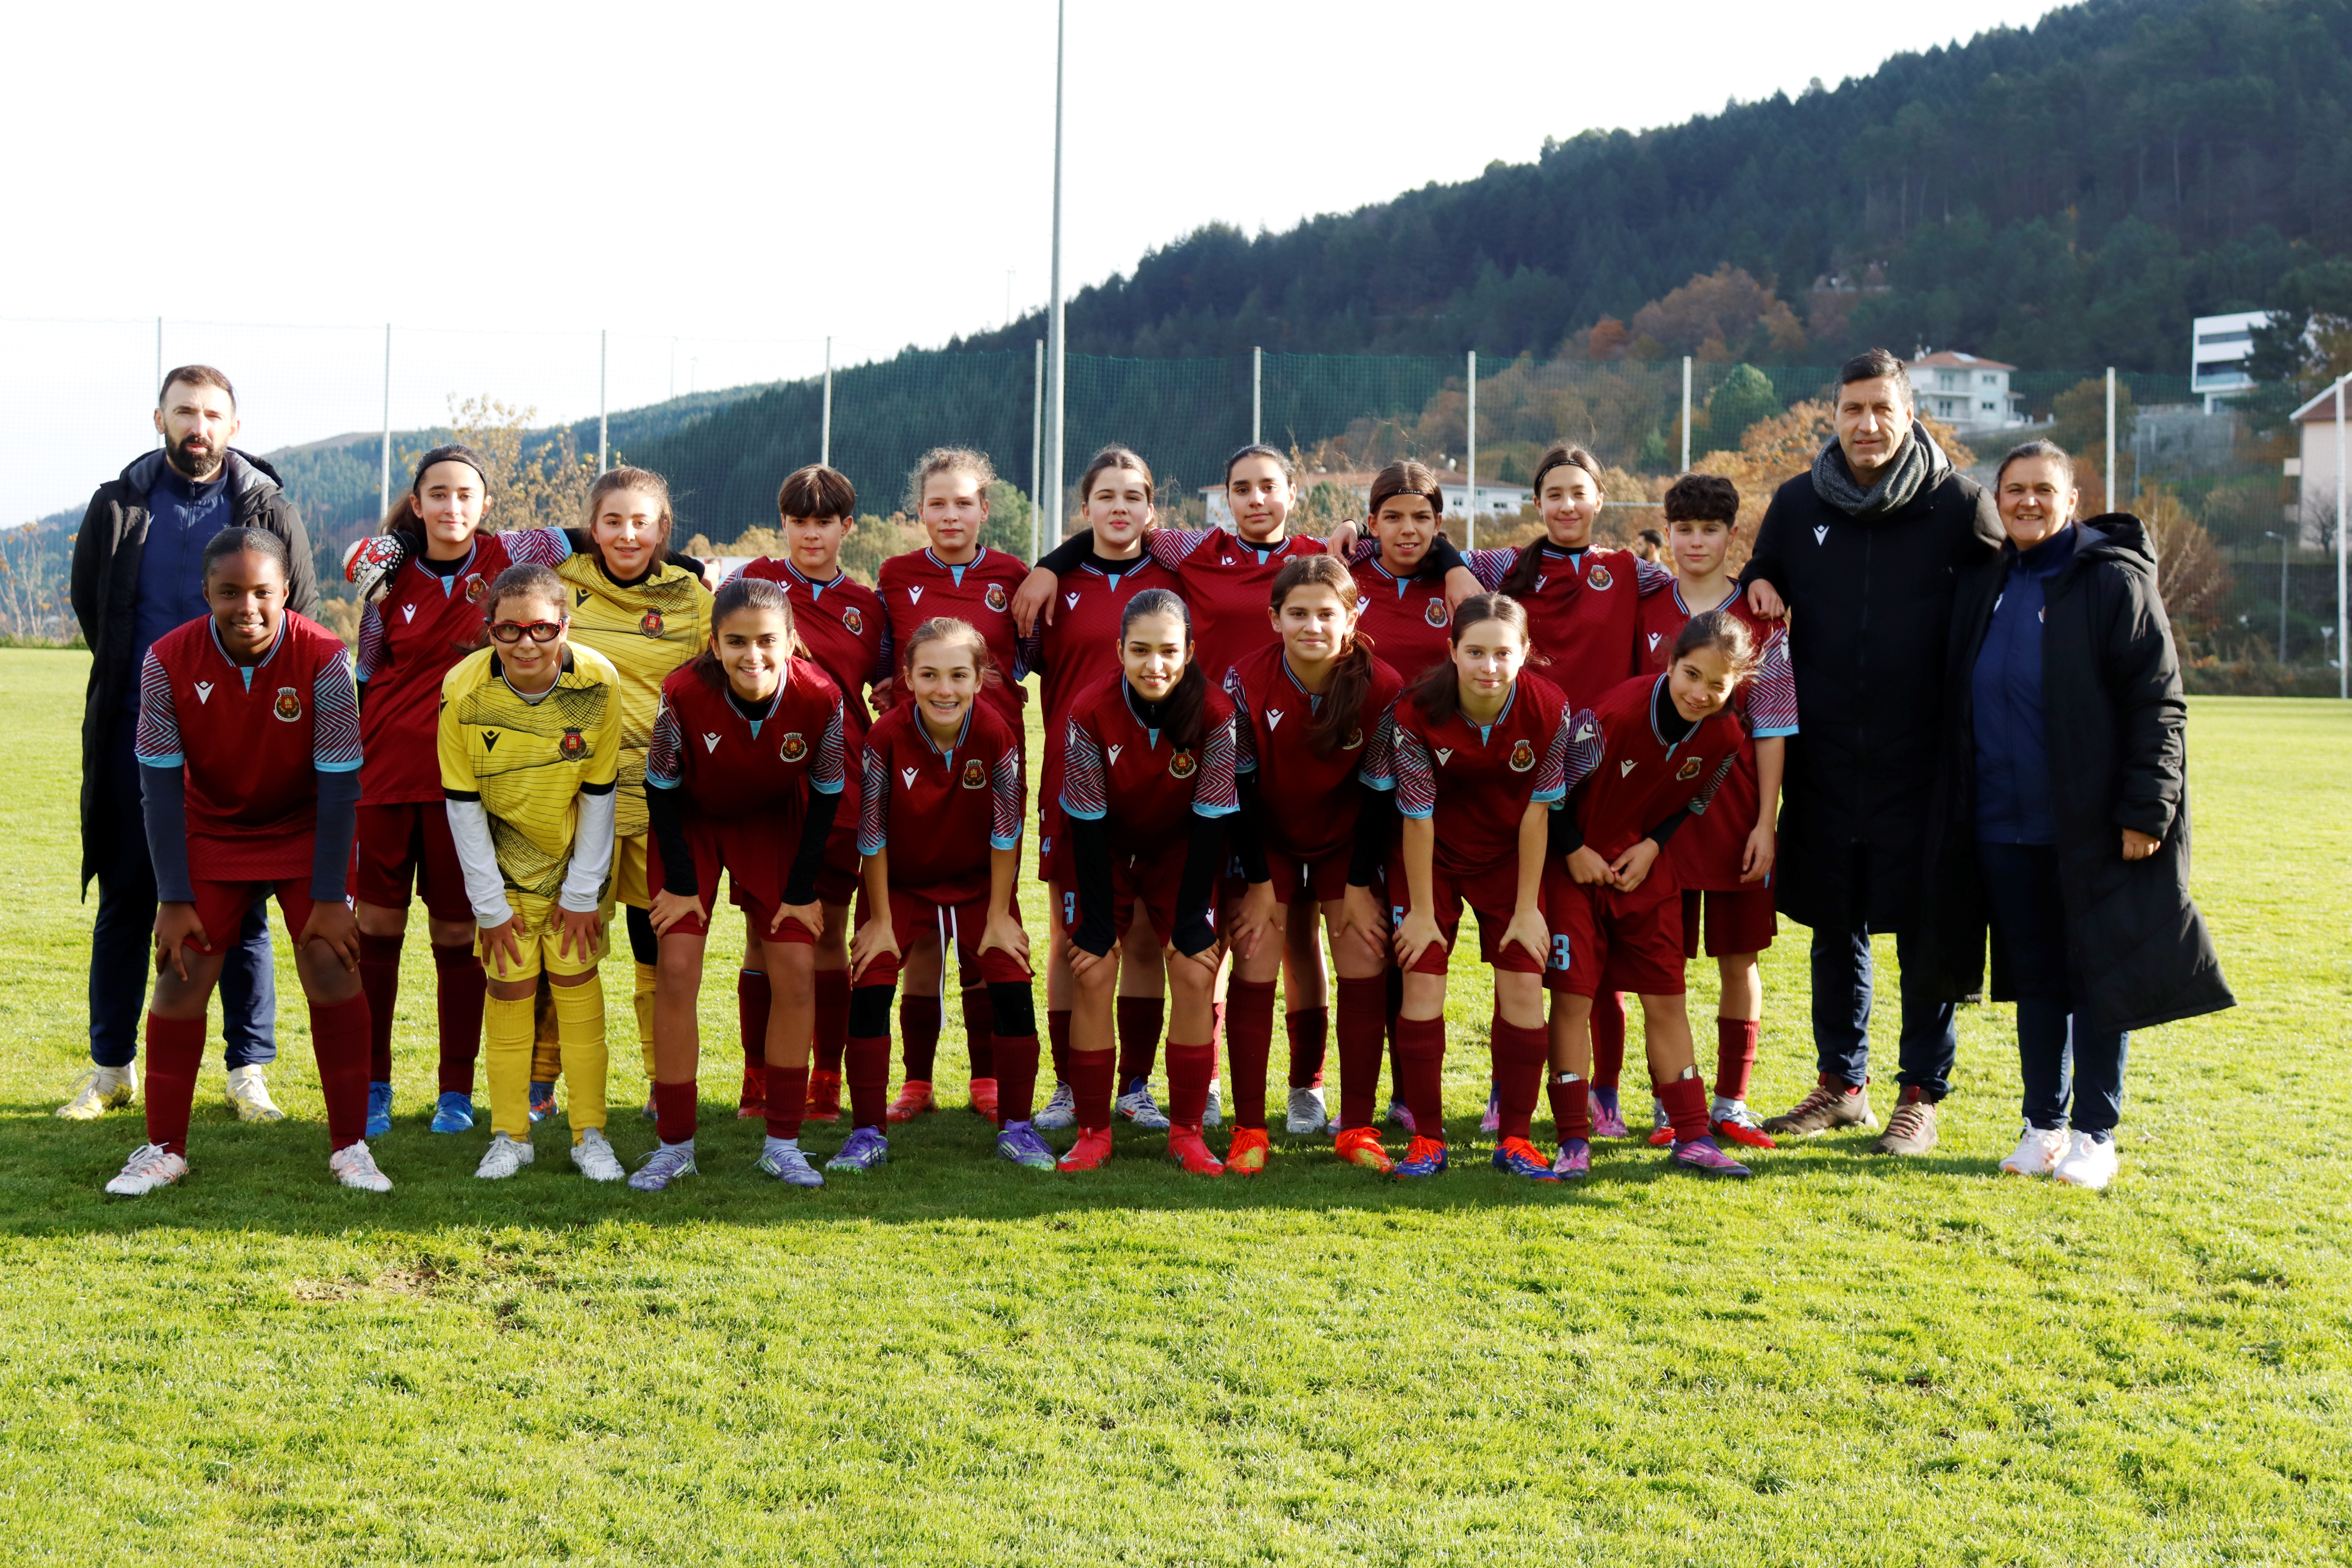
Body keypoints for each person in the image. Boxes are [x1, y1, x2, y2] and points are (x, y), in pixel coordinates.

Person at [1918, 441, 2232, 1189]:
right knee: (2036, 981)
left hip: (2093, 827)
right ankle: (2042, 1126)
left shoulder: (2113, 581)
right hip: (2002, 824)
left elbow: (2159, 704)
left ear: (2072, 499)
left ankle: (2096, 1133)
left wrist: (2147, 807)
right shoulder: (1988, 580)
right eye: (2014, 490)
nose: (2027, 502)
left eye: (2043, 490)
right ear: (1998, 499)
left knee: (2098, 979)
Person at [1741, 348, 2004, 1155]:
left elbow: (2017, 584)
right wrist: (1757, 576)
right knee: (1835, 924)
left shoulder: (1961, 504)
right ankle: (1841, 1085)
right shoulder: (1795, 503)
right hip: (1826, 760)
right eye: (1853, 409)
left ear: (1909, 413)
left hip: (1926, 762)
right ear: (1834, 414)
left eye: (1881, 408)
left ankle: (1920, 1092)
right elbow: (1765, 573)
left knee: (1928, 929)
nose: (1866, 424)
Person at [65, 365, 316, 1124]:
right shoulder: (118, 506)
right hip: (133, 738)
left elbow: (296, 611)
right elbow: (94, 608)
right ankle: (111, 1067)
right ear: (160, 418)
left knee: (243, 910)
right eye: (184, 412)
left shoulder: (270, 509)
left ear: (234, 426)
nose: (197, 424)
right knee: (126, 903)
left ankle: (248, 1073)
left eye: (212, 413)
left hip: (241, 744)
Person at [104, 526, 385, 1196]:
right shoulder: (167, 660)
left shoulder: (323, 657)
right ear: (207, 592)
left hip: (306, 825)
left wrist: (327, 897)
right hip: (212, 830)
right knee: (181, 972)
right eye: (230, 592)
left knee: (328, 961)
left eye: (263, 590)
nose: (247, 606)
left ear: (286, 591)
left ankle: (352, 1147)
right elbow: (161, 790)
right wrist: (172, 898)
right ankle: (164, 1149)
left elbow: (343, 785)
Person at [343, 446, 573, 1137]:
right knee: (376, 930)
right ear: (417, 504)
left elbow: (587, 537)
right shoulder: (388, 574)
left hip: (467, 783)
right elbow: (366, 670)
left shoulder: (508, 554)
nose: (452, 507)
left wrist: (685, 568)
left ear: (484, 504)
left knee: (456, 933)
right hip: (385, 779)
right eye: (437, 495)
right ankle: (374, 1083)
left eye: (465, 495)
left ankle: (454, 1090)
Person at [636, 576, 848, 1191]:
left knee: (797, 974)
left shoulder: (821, 697)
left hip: (776, 826)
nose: (752, 656)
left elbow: (827, 795)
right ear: (714, 643)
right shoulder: (681, 692)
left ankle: (783, 1142)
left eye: (765, 642)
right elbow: (661, 788)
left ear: (790, 641)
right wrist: (680, 883)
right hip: (693, 826)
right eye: (736, 643)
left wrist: (802, 889)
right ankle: (674, 1146)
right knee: (675, 970)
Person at [1543, 613, 1763, 1180]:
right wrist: (1573, 851)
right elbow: (1549, 789)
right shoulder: (1615, 714)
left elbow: (1691, 803)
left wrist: (1652, 848)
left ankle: (1693, 1136)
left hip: (1644, 873)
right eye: (1692, 675)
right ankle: (1573, 1140)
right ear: (1670, 663)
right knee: (1573, 999)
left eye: (1718, 685)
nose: (1701, 693)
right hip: (1576, 869)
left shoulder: (1726, 734)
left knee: (1666, 999)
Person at [439, 562, 625, 1182]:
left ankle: (589, 1133)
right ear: (489, 630)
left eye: (543, 629)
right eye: (509, 630)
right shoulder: (462, 691)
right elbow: (462, 807)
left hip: (577, 867)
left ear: (566, 626)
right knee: (510, 996)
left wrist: (581, 892)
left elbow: (601, 796)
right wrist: (489, 906)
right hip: (503, 874)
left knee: (579, 998)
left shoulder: (599, 681)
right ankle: (509, 1135)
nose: (526, 643)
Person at [1627, 474, 1793, 1150]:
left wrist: (1765, 821)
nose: (1696, 542)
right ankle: (1675, 1103)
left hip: (1734, 814)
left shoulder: (1762, 614)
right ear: (1668, 532)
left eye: (1710, 530)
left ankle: (1732, 1100)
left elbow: (1774, 723)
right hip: (1655, 819)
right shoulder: (1640, 602)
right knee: (1660, 969)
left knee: (1737, 959)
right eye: (1684, 529)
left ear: (1733, 536)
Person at [1221, 556, 1401, 1173]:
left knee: (1362, 949)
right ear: (1274, 618)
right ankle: (1249, 1128)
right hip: (1265, 838)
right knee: (1254, 949)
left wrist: (1357, 887)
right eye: (1298, 613)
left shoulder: (1382, 687)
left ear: (1352, 618)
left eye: (1328, 613)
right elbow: (1239, 791)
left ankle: (1354, 1126)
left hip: (1347, 843)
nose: (1312, 625)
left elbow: (1381, 796)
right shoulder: (1243, 682)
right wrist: (1257, 881)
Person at [873, 448, 1035, 1124]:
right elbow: (884, 664)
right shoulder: (895, 575)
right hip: (914, 769)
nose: (950, 515)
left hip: (992, 768)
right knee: (917, 939)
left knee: (985, 923)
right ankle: (915, 1080)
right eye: (937, 503)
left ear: (985, 509)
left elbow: (1035, 661)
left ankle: (988, 1076)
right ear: (919, 512)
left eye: (963, 502)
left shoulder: (1016, 576)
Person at [1386, 593, 1571, 1182]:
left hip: (1509, 860)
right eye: (1475, 652)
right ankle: (1427, 1142)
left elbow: (1538, 816)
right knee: (1422, 987)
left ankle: (1516, 1139)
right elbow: (1418, 817)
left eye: (1503, 653)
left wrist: (1527, 910)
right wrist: (1420, 913)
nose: (1489, 667)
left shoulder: (1550, 709)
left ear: (1524, 655)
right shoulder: (1416, 709)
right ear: (1452, 652)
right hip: (1431, 859)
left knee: (1522, 986)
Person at [1053, 589, 1239, 1174]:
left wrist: (1190, 923)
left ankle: (1186, 1132)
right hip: (1101, 847)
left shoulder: (1215, 712)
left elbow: (1212, 819)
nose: (1154, 664)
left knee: (1192, 966)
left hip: (1182, 849)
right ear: (1120, 650)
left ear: (1189, 651)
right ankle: (1092, 1131)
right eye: (1140, 651)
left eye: (1167, 651)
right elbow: (1085, 822)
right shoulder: (1089, 708)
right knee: (1093, 967)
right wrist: (1097, 924)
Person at [549, 469, 714, 1123]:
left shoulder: (691, 596)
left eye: (642, 521)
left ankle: (658, 1076)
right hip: (569, 794)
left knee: (656, 944)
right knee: (562, 943)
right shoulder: (561, 584)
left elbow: (750, 655)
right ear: (592, 527)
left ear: (663, 529)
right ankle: (541, 1080)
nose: (628, 533)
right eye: (613, 520)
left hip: (659, 798)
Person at [849, 617, 1043, 1169]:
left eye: (959, 675)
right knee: (871, 978)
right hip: (901, 884)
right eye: (929, 674)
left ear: (980, 679)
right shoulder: (886, 734)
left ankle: (1018, 1126)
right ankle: (866, 1133)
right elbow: (872, 832)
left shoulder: (997, 732)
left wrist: (1002, 915)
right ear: (907, 677)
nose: (944, 689)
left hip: (978, 883)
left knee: (1011, 977)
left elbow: (1007, 829)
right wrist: (880, 920)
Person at [1024, 448, 1177, 1132]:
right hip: (1074, 779)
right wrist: (1056, 562)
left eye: (1134, 497)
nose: (1121, 508)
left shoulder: (1177, 573)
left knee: (1145, 936)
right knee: (1071, 935)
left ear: (1153, 509)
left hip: (1159, 781)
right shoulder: (1052, 585)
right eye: (1106, 496)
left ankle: (1137, 1085)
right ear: (1084, 510)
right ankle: (1067, 1083)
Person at [735, 466, 889, 1127]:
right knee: (761, 936)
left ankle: (826, 1079)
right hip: (765, 783)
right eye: (800, 520)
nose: (812, 533)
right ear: (785, 524)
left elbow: (884, 691)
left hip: (841, 783)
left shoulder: (867, 604)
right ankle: (759, 1078)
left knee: (826, 935)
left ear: (846, 526)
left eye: (825, 520)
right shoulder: (752, 587)